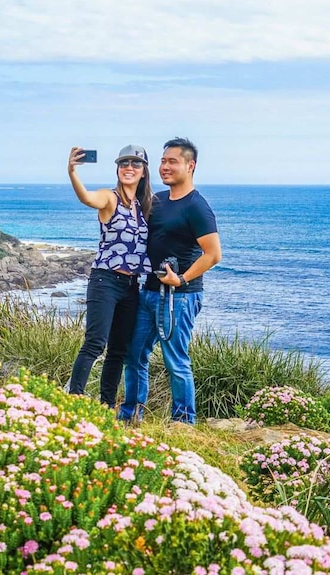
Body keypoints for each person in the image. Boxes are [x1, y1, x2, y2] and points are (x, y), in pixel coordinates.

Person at [117, 137, 221, 425]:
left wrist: (183, 279)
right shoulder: (157, 200)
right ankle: (130, 415)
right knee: (134, 354)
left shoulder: (197, 206)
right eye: (163, 161)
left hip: (180, 296)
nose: (165, 166)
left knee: (175, 361)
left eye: (172, 161)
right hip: (148, 292)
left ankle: (183, 422)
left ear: (191, 166)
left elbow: (213, 254)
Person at [65, 144, 153, 407]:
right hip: (105, 281)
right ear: (117, 169)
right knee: (95, 343)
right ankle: (75, 401)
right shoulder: (109, 197)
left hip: (131, 287)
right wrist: (72, 172)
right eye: (123, 163)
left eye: (135, 164)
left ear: (143, 172)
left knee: (118, 351)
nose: (129, 167)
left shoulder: (144, 205)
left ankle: (106, 407)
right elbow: (87, 198)